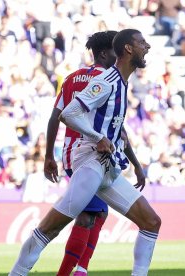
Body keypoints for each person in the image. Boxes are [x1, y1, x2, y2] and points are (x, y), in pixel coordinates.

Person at [9, 29, 161, 276]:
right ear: (128, 49)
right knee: (50, 229)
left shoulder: (121, 83)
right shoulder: (106, 81)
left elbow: (115, 129)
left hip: (108, 168)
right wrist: (98, 137)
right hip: (90, 162)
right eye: (142, 42)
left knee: (151, 223)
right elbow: (68, 113)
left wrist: (132, 162)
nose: (147, 46)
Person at [43, 31, 118, 276]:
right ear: (105, 53)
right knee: (87, 215)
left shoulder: (72, 77)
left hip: (70, 152)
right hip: (88, 154)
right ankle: (67, 273)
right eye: (117, 51)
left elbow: (55, 116)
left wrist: (49, 156)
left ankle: (81, 270)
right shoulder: (107, 80)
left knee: (100, 212)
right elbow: (115, 122)